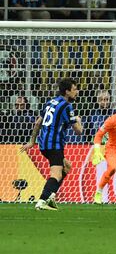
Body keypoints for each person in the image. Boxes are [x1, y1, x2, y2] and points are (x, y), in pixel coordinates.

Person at [20, 78, 83, 211]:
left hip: (44, 144)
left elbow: (38, 123)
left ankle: (51, 197)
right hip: (54, 144)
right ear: (67, 91)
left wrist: (32, 142)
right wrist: (78, 120)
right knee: (57, 174)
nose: (77, 92)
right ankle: (42, 200)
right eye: (74, 89)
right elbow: (78, 131)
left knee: (67, 166)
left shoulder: (50, 102)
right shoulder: (67, 106)